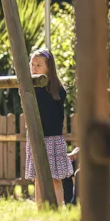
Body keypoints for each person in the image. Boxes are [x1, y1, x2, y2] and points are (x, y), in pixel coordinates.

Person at [26, 48, 73, 208]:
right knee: (39, 178)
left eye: (39, 65)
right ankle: (41, 210)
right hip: (36, 138)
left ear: (49, 68)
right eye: (32, 65)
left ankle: (57, 208)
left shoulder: (57, 90)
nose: (34, 68)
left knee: (55, 179)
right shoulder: (30, 89)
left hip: (53, 139)